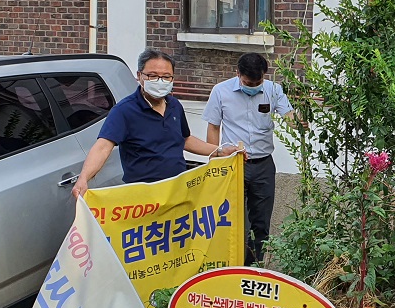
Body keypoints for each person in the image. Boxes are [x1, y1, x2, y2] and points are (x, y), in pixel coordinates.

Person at [72, 49, 234, 197]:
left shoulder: (175, 106)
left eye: (166, 77)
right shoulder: (124, 111)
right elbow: (102, 147)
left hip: (178, 189)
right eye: (153, 76)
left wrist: (219, 151)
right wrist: (84, 178)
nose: (160, 81)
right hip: (143, 195)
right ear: (139, 76)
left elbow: (184, 139)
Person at [202, 53, 297, 264]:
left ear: (264, 75)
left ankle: (253, 266)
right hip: (233, 164)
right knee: (232, 219)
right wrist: (215, 161)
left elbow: (290, 117)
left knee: (260, 222)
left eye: (257, 82)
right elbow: (214, 126)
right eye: (247, 82)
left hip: (263, 165)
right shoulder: (221, 91)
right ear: (238, 74)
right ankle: (228, 264)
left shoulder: (273, 90)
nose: (252, 86)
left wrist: (300, 121)